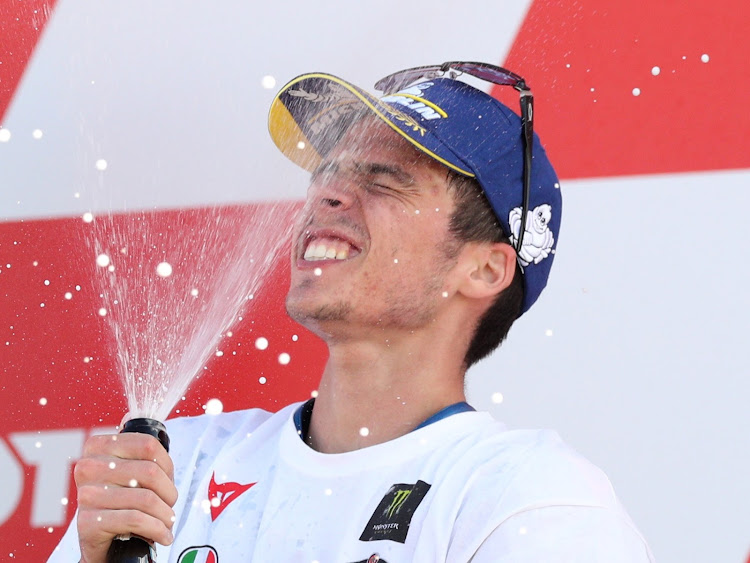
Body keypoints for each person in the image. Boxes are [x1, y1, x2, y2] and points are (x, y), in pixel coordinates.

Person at [50, 62, 653, 562]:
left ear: (484, 269)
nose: (327, 193)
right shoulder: (173, 464)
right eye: (328, 173)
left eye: (385, 181)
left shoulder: (529, 498)